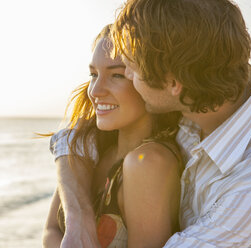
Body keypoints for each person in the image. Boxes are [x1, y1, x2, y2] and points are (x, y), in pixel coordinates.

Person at [52, 0, 251, 247]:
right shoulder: (205, 89)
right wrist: (78, 216)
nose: (131, 78)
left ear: (173, 81)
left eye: (130, 69)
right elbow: (71, 139)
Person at [42, 24, 184, 248]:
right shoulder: (91, 149)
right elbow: (51, 230)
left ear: (150, 81)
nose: (95, 91)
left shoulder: (149, 163)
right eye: (94, 74)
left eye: (117, 75)